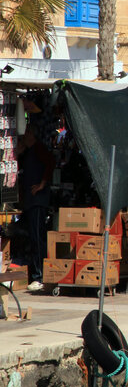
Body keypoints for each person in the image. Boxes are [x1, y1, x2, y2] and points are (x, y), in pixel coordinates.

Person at [16, 125, 55, 291]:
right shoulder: (28, 151)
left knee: (38, 238)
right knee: (34, 237)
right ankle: (37, 274)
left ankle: (40, 276)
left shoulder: (38, 148)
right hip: (31, 201)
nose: (24, 137)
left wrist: (42, 184)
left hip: (38, 201)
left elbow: (51, 162)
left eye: (26, 134)